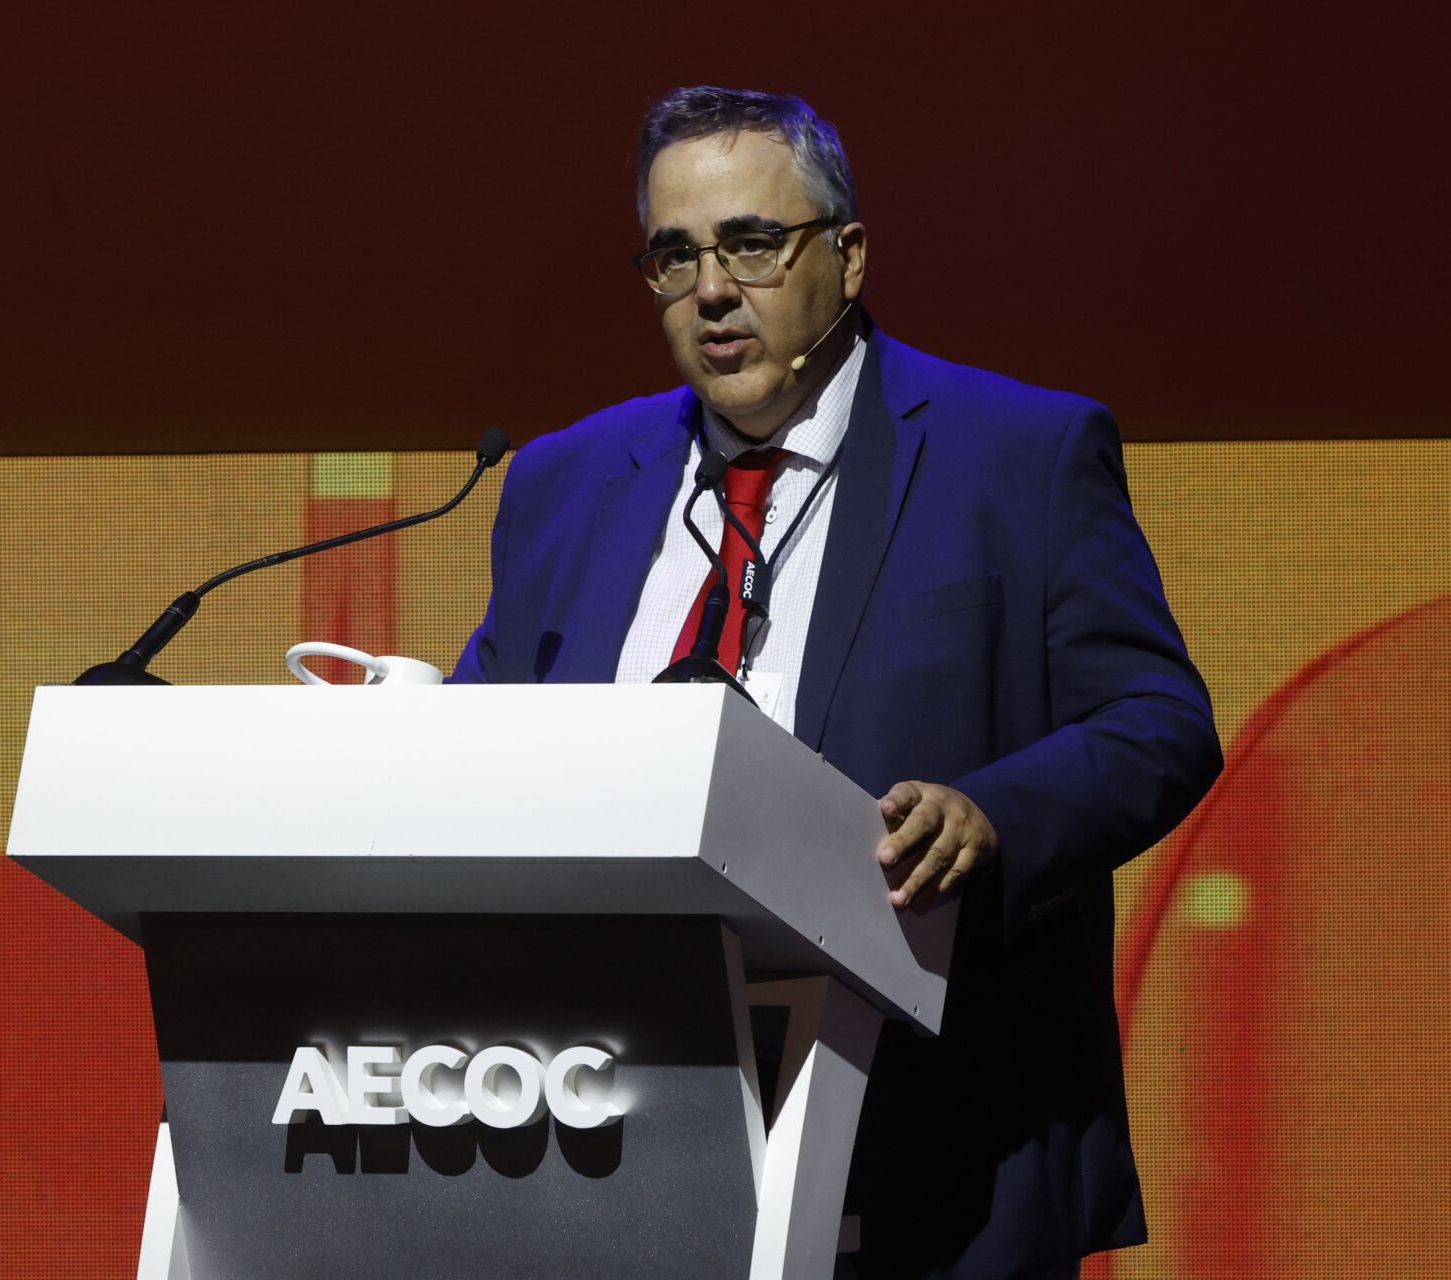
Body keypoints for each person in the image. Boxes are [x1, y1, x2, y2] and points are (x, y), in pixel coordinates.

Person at [450, 85, 1223, 1279]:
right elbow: (483, 735)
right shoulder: (566, 479)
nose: (713, 290)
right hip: (592, 1134)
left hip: (931, 1143)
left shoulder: (1017, 454)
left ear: (848, 256)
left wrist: (992, 815)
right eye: (674, 256)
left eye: (753, 243)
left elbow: (1157, 722)